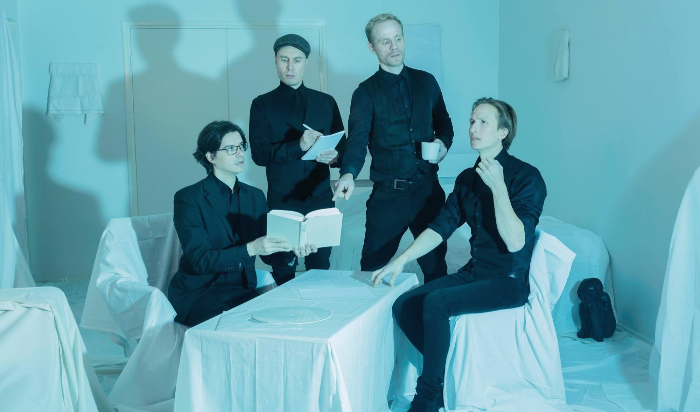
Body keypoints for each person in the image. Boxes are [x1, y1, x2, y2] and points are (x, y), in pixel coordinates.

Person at [373, 98, 547, 411]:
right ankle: (445, 376)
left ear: (503, 132)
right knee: (404, 305)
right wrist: (401, 259)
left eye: (483, 122)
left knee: (437, 302)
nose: (473, 128)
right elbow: (441, 226)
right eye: (472, 121)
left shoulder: (527, 176)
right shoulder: (467, 178)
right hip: (475, 272)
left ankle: (428, 396)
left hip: (508, 280)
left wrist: (499, 188)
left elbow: (516, 243)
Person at [334, 13, 454, 283]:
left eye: (397, 38)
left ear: (404, 39)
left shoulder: (427, 82)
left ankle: (432, 309)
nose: (394, 46)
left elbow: (445, 125)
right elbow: (357, 141)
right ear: (372, 48)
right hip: (389, 197)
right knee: (371, 271)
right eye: (385, 41)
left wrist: (442, 145)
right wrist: (348, 174)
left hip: (429, 192)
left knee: (436, 268)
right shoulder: (364, 93)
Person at [168, 120, 317, 327]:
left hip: (242, 289)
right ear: (211, 157)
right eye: (230, 149)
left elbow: (267, 253)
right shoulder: (189, 198)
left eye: (241, 146)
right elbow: (201, 260)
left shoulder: (254, 196)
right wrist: (252, 248)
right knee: (235, 327)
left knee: (284, 321)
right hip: (199, 292)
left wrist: (292, 250)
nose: (239, 153)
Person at [249, 34, 345, 285]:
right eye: (284, 59)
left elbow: (342, 149)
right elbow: (259, 154)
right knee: (282, 268)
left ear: (306, 63)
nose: (290, 66)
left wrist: (335, 157)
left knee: (320, 268)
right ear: (275, 61)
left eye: (297, 60)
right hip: (282, 201)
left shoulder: (326, 102)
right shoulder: (261, 104)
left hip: (321, 198)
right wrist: (298, 145)